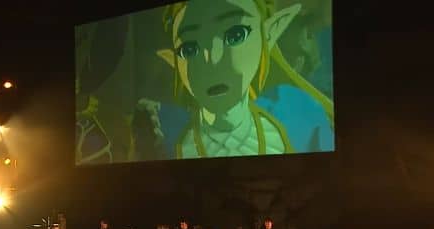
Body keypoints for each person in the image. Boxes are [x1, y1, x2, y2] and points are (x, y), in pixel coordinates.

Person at [132, 0, 334, 161]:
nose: (212, 60)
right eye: (189, 49)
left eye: (236, 35)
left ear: (268, 34)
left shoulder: (303, 118)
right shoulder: (162, 131)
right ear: (174, 60)